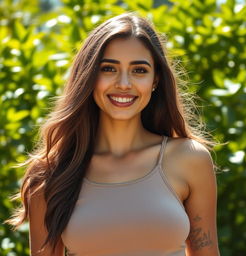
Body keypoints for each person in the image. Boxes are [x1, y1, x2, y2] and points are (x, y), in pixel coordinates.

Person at [6, 13, 220, 256]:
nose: (124, 83)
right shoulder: (50, 173)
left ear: (155, 80)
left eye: (139, 70)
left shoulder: (189, 159)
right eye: (108, 68)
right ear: (89, 76)